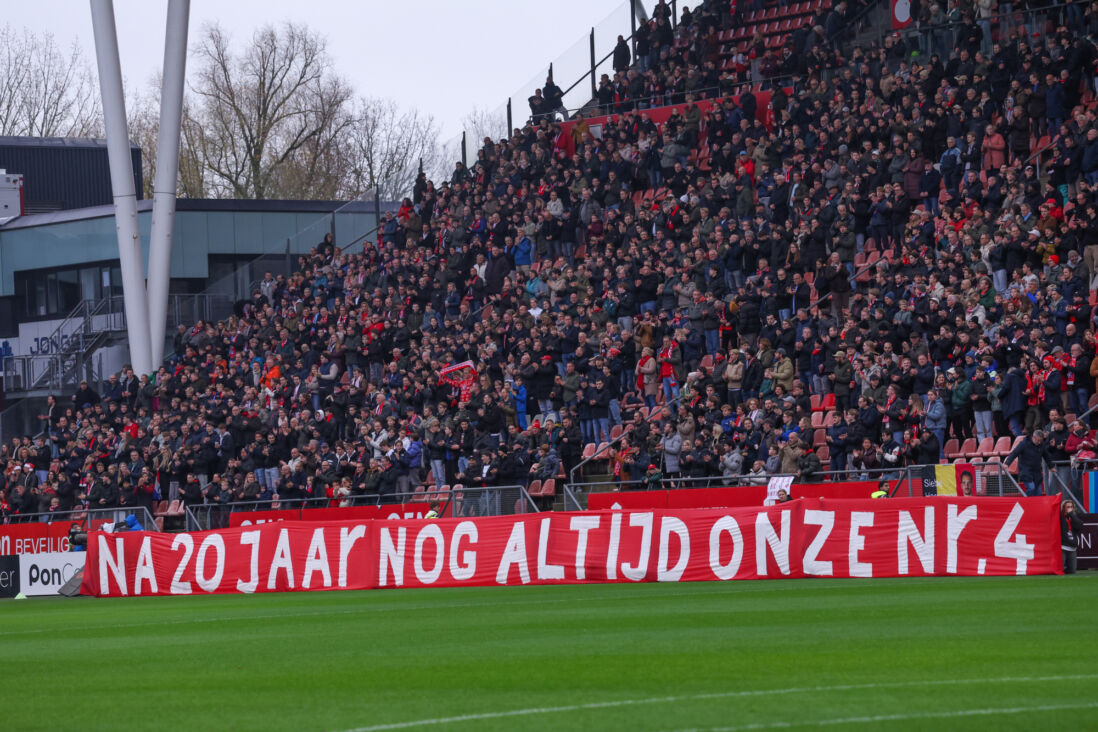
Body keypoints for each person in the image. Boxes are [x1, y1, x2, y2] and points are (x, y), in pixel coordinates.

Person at [1004, 430, 1051, 496]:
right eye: (1038, 440)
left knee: (1039, 493)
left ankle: (1032, 501)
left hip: (1037, 472)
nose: (1039, 442)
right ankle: (1026, 500)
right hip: (1025, 470)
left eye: (1041, 441)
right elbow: (1014, 453)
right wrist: (1007, 463)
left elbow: (1046, 456)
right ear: (1033, 437)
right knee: (1031, 488)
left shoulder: (1041, 445)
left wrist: (1051, 466)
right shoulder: (1024, 444)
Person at [1060, 500, 1083, 574]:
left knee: (1072, 570)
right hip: (1062, 547)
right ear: (1063, 508)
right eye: (1068, 507)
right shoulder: (1060, 517)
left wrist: (1071, 514)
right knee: (1060, 568)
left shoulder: (1073, 517)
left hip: (1072, 547)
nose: (1070, 508)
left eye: (1071, 507)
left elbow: (1080, 525)